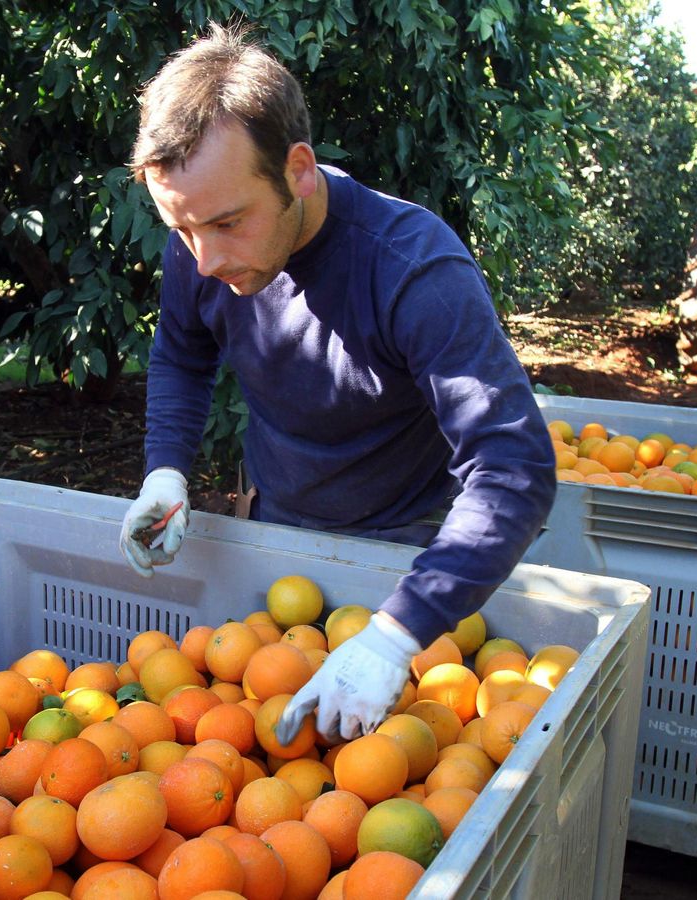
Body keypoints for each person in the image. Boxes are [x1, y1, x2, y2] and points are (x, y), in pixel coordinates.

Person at [117, 25, 556, 744]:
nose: (203, 260)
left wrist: (395, 637)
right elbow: (182, 355)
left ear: (298, 169)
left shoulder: (413, 271)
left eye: (227, 223)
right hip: (279, 537)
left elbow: (515, 471)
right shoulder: (200, 243)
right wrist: (166, 470)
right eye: (183, 228)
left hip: (411, 556)